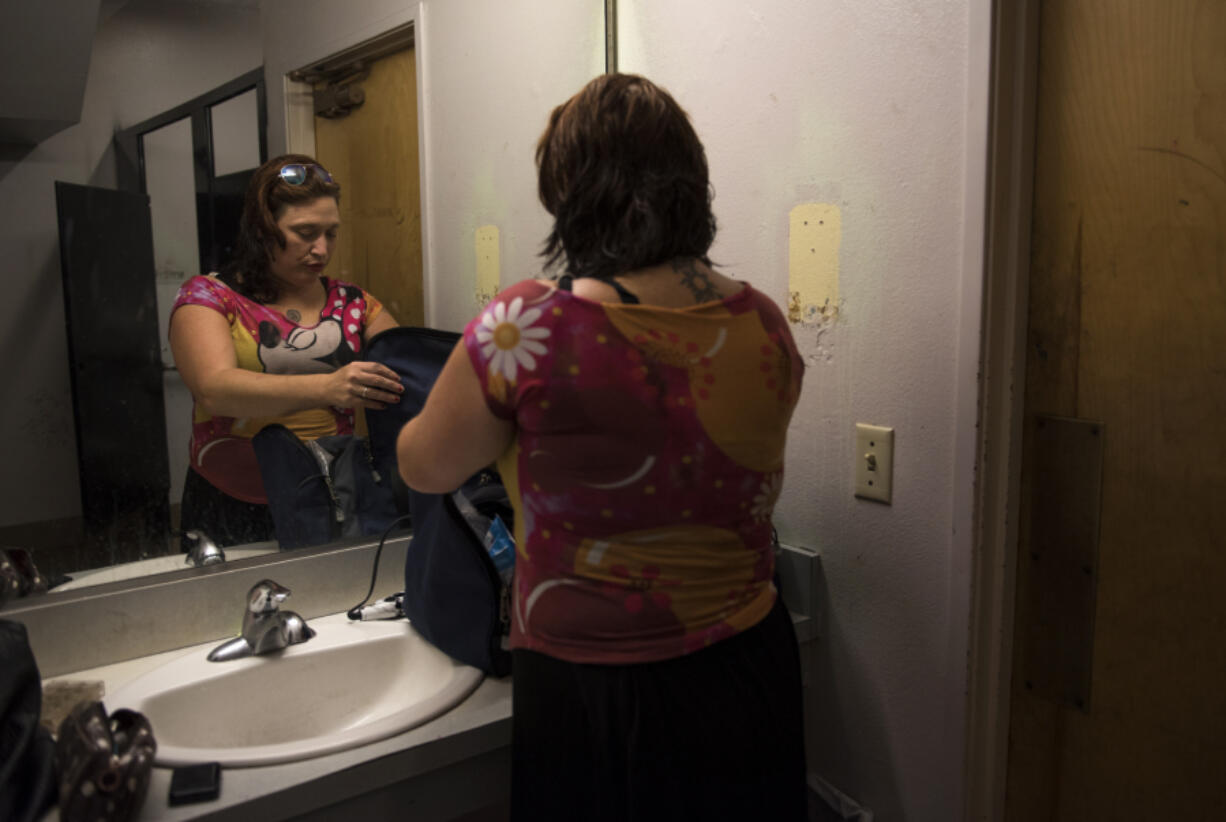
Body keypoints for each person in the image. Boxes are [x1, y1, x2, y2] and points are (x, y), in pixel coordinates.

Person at [396, 75, 808, 819]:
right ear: (693, 183)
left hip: (597, 683)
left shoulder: (529, 324)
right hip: (751, 666)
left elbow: (424, 465)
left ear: (569, 194)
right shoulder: (765, 322)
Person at [169, 154, 403, 550]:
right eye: (305, 232)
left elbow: (405, 366)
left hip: (331, 490)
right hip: (234, 497)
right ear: (261, 230)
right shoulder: (208, 296)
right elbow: (215, 388)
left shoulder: (352, 302)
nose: (321, 249)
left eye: (331, 233)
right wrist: (329, 387)